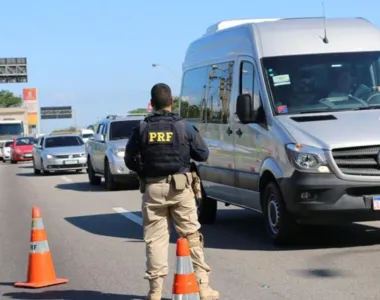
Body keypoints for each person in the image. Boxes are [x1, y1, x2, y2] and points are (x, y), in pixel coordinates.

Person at [124, 83, 219, 300]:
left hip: (153, 187)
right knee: (191, 235)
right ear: (172, 102)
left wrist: (145, 170)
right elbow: (203, 154)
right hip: (180, 187)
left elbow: (129, 159)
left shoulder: (141, 128)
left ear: (151, 103)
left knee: (155, 240)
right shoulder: (184, 127)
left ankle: (155, 291)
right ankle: (203, 287)